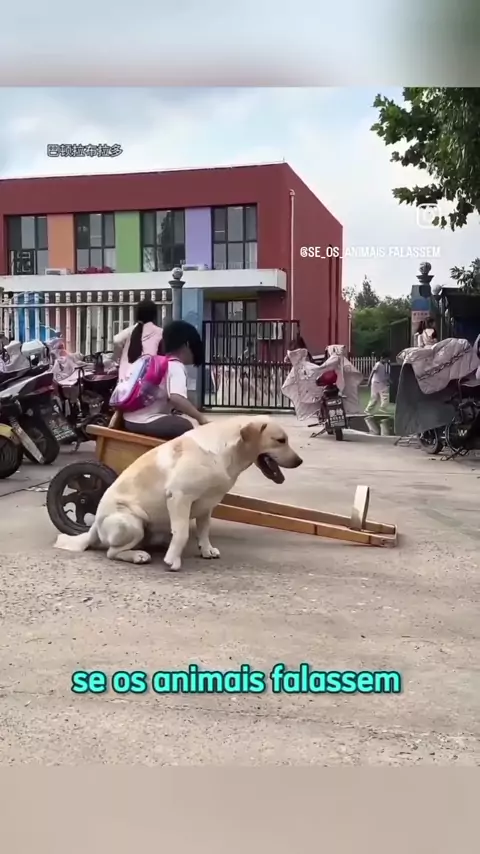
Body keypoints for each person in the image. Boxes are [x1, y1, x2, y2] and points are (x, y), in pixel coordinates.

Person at [122, 319, 209, 440]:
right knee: (185, 426)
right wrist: (201, 418)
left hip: (129, 419)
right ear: (187, 345)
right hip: (145, 421)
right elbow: (176, 398)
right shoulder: (176, 366)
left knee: (175, 421)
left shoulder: (155, 361)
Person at [113, 298, 163, 372]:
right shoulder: (160, 332)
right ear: (154, 315)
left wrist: (119, 359)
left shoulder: (130, 331)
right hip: (150, 373)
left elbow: (117, 340)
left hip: (128, 374)